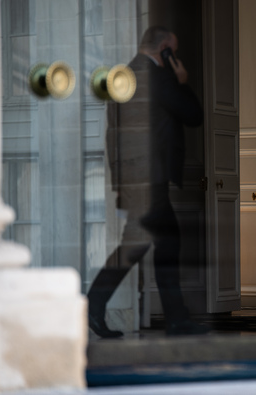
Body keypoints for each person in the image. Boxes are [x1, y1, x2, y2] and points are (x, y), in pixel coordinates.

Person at [87, 26, 205, 338]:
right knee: (140, 246)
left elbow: (116, 135)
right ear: (165, 49)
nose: (175, 57)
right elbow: (193, 115)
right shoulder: (159, 77)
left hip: (132, 178)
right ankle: (92, 306)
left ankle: (176, 319)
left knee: (159, 245)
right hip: (149, 180)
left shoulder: (124, 74)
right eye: (173, 51)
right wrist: (183, 82)